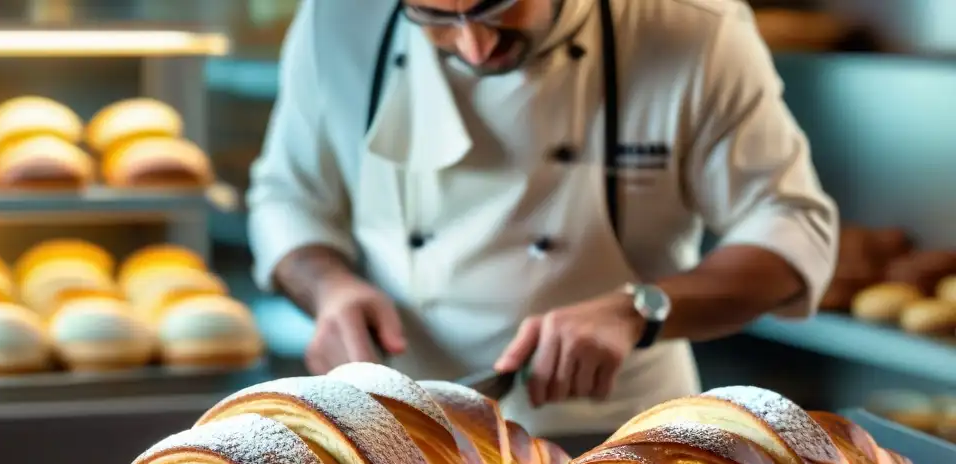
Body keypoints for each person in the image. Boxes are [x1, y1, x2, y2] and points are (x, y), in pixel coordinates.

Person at [248, 0, 839, 439]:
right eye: (433, 20)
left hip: (617, 431)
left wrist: (640, 310)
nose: (474, 47)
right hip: (399, 429)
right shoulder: (337, 20)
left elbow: (791, 224)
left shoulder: (689, 27)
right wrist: (330, 289)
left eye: (499, 8)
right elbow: (287, 197)